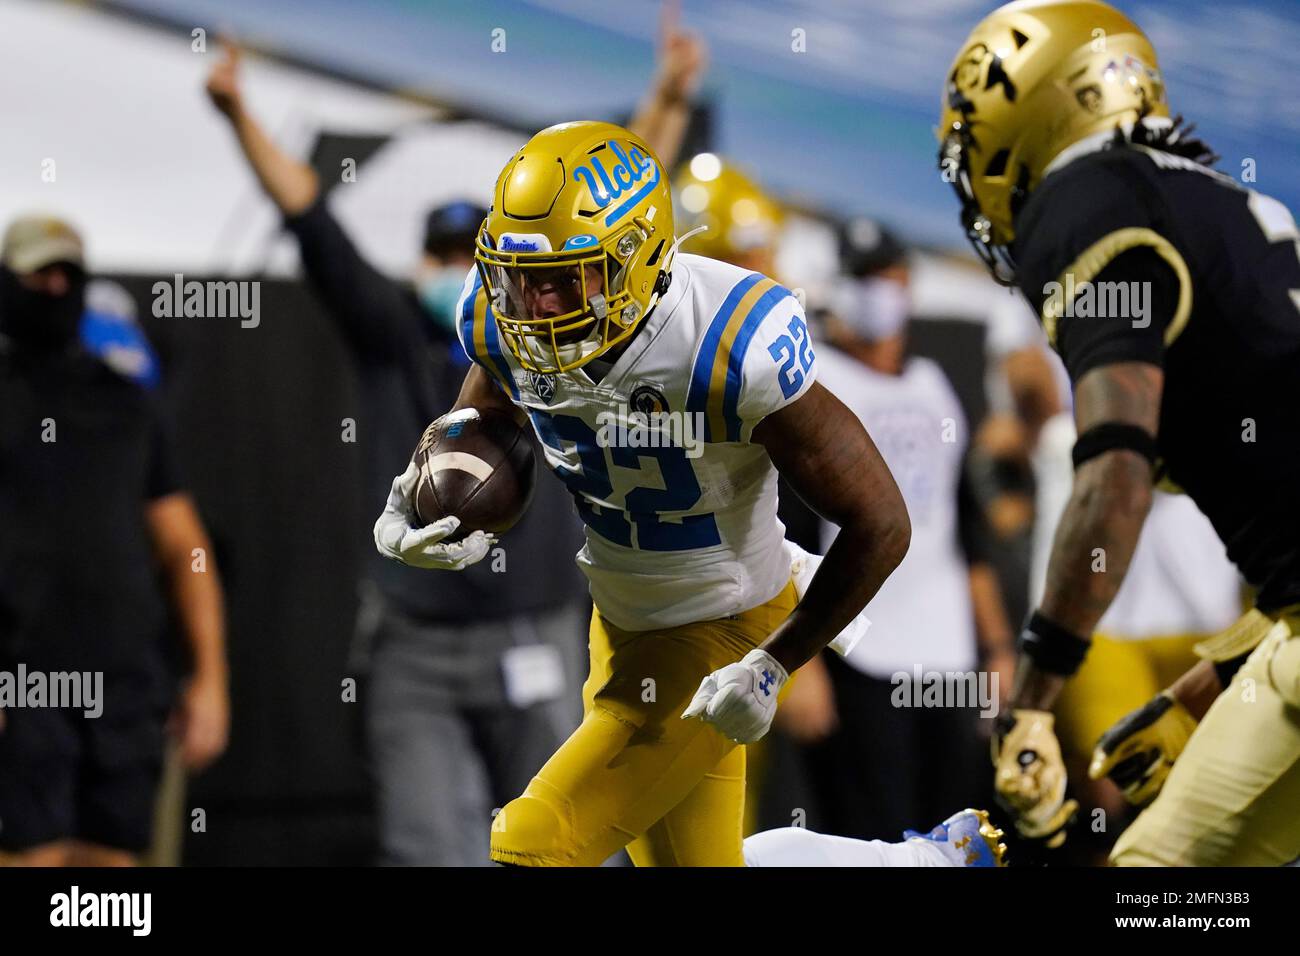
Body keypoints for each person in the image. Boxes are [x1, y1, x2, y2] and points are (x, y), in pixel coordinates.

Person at [374, 120, 912, 866]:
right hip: (622, 618)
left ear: (635, 259)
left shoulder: (725, 341)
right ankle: (928, 862)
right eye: (522, 279)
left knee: (536, 842)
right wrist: (421, 488)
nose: (535, 306)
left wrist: (774, 662)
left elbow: (880, 521)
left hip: (723, 621)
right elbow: (490, 416)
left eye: (564, 278)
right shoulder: (506, 318)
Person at [205, 42, 590, 866]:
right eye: (440, 257)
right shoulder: (394, 338)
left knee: (567, 842)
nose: (452, 274)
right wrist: (240, 115)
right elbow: (312, 218)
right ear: (420, 265)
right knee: (426, 849)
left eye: (468, 261)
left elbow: (624, 200)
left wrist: (667, 96)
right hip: (416, 636)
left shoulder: (546, 345)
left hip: (534, 629)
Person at [939, 0, 1300, 865]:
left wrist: (1031, 696)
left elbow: (1115, 475)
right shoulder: (1225, 205)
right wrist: (1210, 686)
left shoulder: (1085, 199)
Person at [0, 215, 228, 866]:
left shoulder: (127, 404)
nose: (52, 287)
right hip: (22, 685)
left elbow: (186, 548)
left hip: (126, 684)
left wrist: (209, 678)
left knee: (113, 879)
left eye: (66, 275)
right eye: (37, 274)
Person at [800, 220, 1016, 840]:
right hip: (858, 650)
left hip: (945, 652)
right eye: (865, 280)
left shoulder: (932, 384)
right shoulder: (814, 382)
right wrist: (797, 662)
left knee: (953, 832)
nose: (879, 294)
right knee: (874, 836)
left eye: (888, 278)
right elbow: (784, 529)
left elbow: (964, 529)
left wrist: (997, 647)